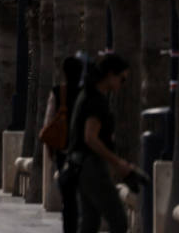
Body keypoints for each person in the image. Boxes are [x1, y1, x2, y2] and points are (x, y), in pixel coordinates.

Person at [69, 53, 133, 233]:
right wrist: (117, 162)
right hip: (91, 166)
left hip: (80, 165)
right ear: (111, 74)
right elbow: (90, 137)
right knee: (118, 219)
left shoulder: (87, 95)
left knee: (90, 222)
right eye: (122, 79)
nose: (123, 84)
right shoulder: (96, 100)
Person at [47, 55, 85, 233]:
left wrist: (51, 152)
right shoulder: (86, 93)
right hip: (84, 152)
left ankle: (69, 228)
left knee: (68, 198)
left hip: (64, 152)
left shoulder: (58, 92)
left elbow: (49, 124)